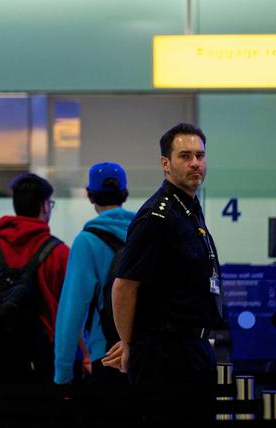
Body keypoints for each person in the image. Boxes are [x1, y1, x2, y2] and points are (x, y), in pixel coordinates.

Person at [101, 123, 222, 420]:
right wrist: (129, 345)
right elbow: (124, 285)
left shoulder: (189, 209)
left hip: (192, 348)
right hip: (166, 357)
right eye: (185, 156)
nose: (195, 163)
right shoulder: (158, 216)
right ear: (165, 164)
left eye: (200, 155)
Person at [0, 173, 69, 384]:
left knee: (4, 407)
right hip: (43, 352)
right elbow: (70, 308)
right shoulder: (59, 253)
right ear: (45, 206)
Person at [53, 162, 134, 385]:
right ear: (125, 193)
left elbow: (72, 310)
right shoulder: (144, 233)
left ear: (90, 195)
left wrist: (63, 373)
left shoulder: (86, 241)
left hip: (106, 354)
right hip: (144, 355)